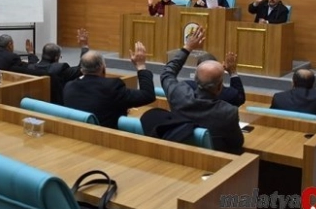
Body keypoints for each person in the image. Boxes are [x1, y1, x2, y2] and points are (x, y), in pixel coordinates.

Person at [160, 25, 244, 154]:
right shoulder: (228, 112)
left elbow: (167, 73)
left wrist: (187, 47)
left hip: (178, 153)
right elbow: (237, 143)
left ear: (195, 78)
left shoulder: (178, 94)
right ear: (219, 87)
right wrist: (233, 72)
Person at [63, 44, 155, 128]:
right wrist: (141, 66)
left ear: (82, 70)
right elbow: (147, 95)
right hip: (106, 138)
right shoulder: (113, 87)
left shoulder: (69, 86)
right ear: (103, 68)